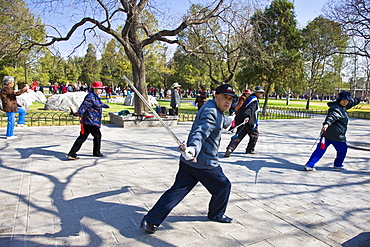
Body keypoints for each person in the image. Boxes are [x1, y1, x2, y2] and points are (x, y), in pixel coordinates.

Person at [140, 84, 237, 234]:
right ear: (216, 96)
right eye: (225, 97)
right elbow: (201, 131)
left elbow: (221, 120)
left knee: (177, 190)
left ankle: (150, 221)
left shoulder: (213, 107)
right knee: (223, 186)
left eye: (231, 99)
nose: (228, 101)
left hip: (188, 163)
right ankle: (216, 214)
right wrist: (193, 148)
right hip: (204, 163)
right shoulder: (211, 112)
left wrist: (231, 120)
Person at [304, 91, 366, 171]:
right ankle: (338, 164)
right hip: (337, 136)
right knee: (343, 149)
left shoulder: (342, 107)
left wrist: (360, 99)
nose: (345, 102)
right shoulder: (336, 109)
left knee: (320, 149)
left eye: (347, 101)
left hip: (327, 134)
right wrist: (326, 124)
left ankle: (310, 164)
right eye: (343, 100)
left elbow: (352, 102)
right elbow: (331, 117)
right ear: (339, 100)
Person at [67, 81, 109, 160]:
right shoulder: (90, 96)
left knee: (83, 137)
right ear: (94, 88)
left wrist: (105, 106)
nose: (100, 90)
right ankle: (96, 152)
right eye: (98, 89)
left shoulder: (95, 96)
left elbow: (98, 103)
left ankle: (72, 153)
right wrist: (79, 112)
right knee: (97, 135)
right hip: (90, 121)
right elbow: (84, 105)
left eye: (101, 89)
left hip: (91, 121)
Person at [224, 86, 265, 157]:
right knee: (254, 135)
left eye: (262, 93)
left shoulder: (250, 98)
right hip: (249, 121)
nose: (262, 94)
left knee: (239, 135)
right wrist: (247, 117)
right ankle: (250, 149)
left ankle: (230, 148)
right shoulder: (253, 100)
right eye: (260, 93)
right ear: (256, 92)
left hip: (242, 120)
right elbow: (249, 109)